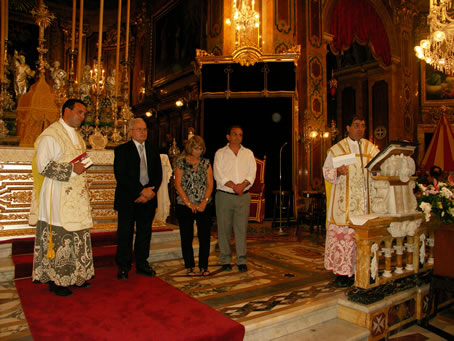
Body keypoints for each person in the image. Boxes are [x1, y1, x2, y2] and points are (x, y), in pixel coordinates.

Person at [30, 99, 94, 297]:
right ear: (67, 110)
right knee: (61, 234)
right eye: (79, 112)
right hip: (57, 193)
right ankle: (56, 280)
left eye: (84, 113)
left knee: (78, 233)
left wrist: (81, 166)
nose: (82, 117)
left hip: (76, 195)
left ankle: (75, 276)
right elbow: (44, 166)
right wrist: (70, 168)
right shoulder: (51, 135)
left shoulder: (77, 136)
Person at [323, 115, 379, 288]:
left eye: (363, 125)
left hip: (365, 206)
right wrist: (337, 172)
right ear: (348, 128)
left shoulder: (372, 149)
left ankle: (363, 270)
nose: (360, 129)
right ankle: (342, 274)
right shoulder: (336, 149)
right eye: (356, 125)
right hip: (344, 205)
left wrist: (377, 171)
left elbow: (379, 170)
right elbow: (326, 171)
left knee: (363, 239)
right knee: (344, 239)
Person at [114, 118, 162, 280]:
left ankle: (142, 263)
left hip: (148, 199)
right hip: (128, 199)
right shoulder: (121, 150)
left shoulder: (153, 150)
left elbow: (158, 175)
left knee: (144, 232)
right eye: (139, 129)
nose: (143, 132)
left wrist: (149, 193)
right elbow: (121, 176)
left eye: (145, 129)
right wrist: (140, 192)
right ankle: (123, 266)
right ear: (131, 132)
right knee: (125, 233)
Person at [213, 125, 256, 272]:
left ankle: (241, 260)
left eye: (240, 135)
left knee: (241, 229)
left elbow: (252, 174)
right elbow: (218, 174)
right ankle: (225, 259)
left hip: (243, 196)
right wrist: (233, 186)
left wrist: (242, 185)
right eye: (235, 134)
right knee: (224, 229)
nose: (238, 137)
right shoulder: (220, 153)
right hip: (224, 196)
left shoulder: (248, 153)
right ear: (228, 136)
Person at [174, 135, 213, 276]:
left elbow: (210, 184)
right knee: (186, 236)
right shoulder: (181, 162)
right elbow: (177, 184)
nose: (198, 151)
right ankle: (190, 265)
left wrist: (204, 201)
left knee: (204, 237)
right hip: (184, 205)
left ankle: (204, 266)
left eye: (201, 149)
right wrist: (188, 203)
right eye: (196, 148)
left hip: (203, 205)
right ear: (190, 148)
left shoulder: (206, 163)